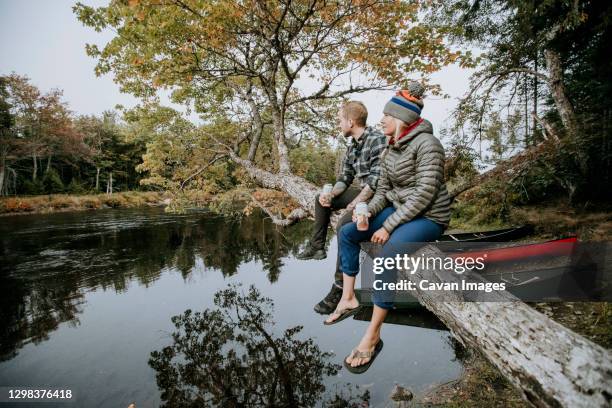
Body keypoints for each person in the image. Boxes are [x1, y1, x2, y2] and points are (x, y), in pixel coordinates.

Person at [324, 82, 452, 374]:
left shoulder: (428, 145)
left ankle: (373, 335)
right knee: (347, 232)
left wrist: (389, 226)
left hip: (429, 216)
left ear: (403, 120)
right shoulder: (390, 148)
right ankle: (348, 297)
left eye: (386, 116)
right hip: (400, 209)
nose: (380, 121)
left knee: (386, 252)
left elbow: (424, 193)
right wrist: (366, 212)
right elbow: (382, 191)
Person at [296, 101, 387, 315]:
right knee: (320, 197)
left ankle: (339, 288)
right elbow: (345, 176)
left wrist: (354, 205)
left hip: (378, 197)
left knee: (344, 225)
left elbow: (376, 182)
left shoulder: (377, 140)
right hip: (362, 192)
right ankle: (317, 246)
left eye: (340, 120)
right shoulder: (352, 145)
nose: (339, 124)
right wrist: (332, 194)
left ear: (351, 121)